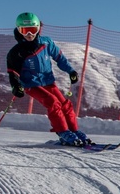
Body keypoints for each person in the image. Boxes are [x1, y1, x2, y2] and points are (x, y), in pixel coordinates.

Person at [6, 12, 93, 146]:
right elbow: (13, 71)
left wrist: (70, 71)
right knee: (53, 102)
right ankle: (63, 132)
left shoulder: (46, 42)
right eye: (24, 31)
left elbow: (59, 57)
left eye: (32, 30)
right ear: (19, 30)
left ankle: (73, 131)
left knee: (65, 104)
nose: (29, 34)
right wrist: (16, 86)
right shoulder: (16, 51)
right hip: (31, 84)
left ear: (38, 29)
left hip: (48, 81)